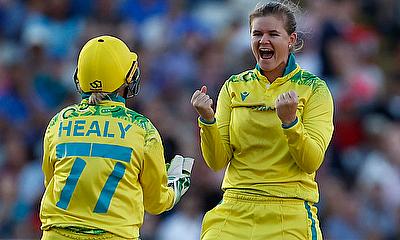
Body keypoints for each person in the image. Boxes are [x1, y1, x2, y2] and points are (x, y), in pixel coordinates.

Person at [191, 1, 334, 240]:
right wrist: (207, 121)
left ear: (291, 39)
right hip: (235, 207)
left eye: (273, 34)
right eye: (257, 34)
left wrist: (291, 123)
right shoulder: (234, 86)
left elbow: (311, 161)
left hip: (288, 210)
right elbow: (216, 161)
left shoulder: (314, 89)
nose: (263, 41)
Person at [40, 35, 194, 240]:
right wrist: (177, 182)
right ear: (128, 78)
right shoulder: (142, 129)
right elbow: (156, 202)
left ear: (79, 76)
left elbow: (51, 182)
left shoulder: (58, 123)